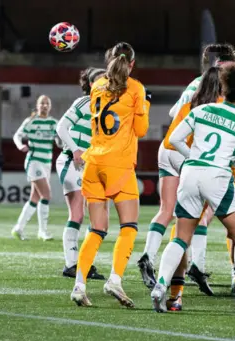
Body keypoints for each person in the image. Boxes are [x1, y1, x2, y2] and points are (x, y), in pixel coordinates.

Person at [151, 62, 235, 313]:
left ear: (222, 87)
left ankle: (160, 285)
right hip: (218, 177)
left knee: (180, 237)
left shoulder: (201, 110)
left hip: (190, 173)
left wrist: (192, 157)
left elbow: (174, 139)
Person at [137, 44, 235, 293]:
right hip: (188, 152)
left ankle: (147, 256)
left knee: (166, 210)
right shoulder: (221, 92)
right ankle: (195, 266)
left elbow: (175, 112)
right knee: (197, 216)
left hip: (168, 148)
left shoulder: (196, 82)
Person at [70, 42, 150, 307]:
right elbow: (141, 129)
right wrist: (145, 106)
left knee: (96, 229)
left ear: (109, 60)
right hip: (118, 164)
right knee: (129, 227)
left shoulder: (96, 85)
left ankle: (79, 285)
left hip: (93, 163)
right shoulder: (136, 88)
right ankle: (114, 280)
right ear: (132, 63)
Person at [55, 67, 106, 281]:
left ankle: (82, 263)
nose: (106, 82)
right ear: (93, 84)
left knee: (93, 218)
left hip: (89, 165)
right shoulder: (84, 102)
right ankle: (72, 264)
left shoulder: (106, 107)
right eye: (102, 79)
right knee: (77, 214)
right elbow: (61, 127)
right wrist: (75, 149)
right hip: (71, 161)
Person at [11, 95, 58, 241]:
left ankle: (18, 228)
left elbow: (59, 142)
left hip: (46, 162)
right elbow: (17, 136)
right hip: (34, 161)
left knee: (35, 198)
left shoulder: (54, 123)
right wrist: (20, 146)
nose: (44, 106)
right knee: (46, 195)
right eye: (42, 103)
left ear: (50, 106)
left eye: (47, 103)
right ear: (37, 106)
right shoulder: (31, 121)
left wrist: (62, 141)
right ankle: (42, 231)